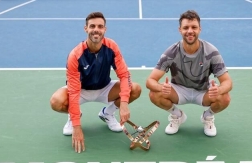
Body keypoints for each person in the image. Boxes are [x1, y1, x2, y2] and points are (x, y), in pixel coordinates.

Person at [50, 12, 141, 153]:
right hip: (81, 90)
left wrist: (123, 103)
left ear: (105, 29)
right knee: (56, 101)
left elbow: (124, 75)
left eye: (100, 26)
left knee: (134, 89)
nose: (96, 29)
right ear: (85, 29)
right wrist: (77, 126)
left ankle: (107, 113)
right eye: (92, 26)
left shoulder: (111, 47)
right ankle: (74, 116)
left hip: (105, 88)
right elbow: (73, 91)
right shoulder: (75, 55)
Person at [146, 10, 232, 137]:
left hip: (203, 90)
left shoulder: (211, 51)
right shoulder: (171, 52)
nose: (190, 31)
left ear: (200, 29)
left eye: (194, 27)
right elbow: (150, 81)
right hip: (178, 89)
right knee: (154, 94)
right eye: (186, 27)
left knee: (225, 98)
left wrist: (218, 90)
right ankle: (177, 116)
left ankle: (207, 117)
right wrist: (161, 87)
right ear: (180, 30)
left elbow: (228, 82)